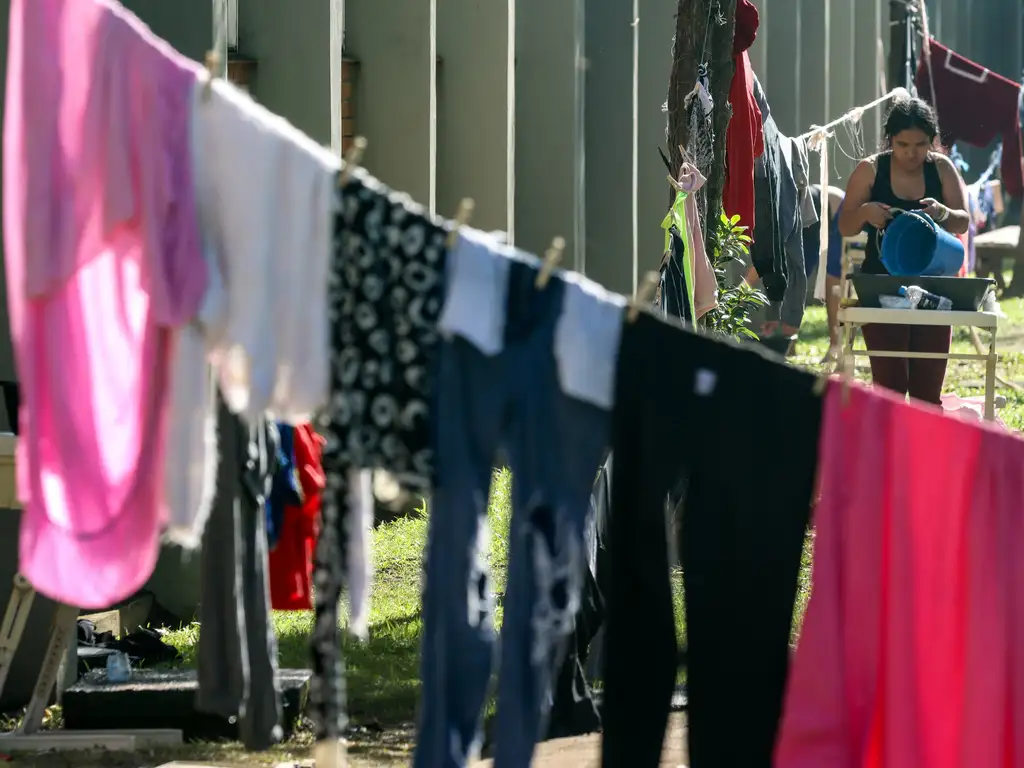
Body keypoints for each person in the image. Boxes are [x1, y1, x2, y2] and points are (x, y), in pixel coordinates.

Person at [837, 96, 970, 405]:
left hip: (935, 287)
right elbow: (845, 226)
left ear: (933, 140)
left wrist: (942, 213)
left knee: (927, 392)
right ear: (890, 140)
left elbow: (962, 223)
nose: (912, 153)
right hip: (882, 285)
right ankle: (887, 452)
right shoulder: (870, 170)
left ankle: (925, 452)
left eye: (921, 145)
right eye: (903, 145)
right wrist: (866, 212)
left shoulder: (941, 169)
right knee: (889, 390)